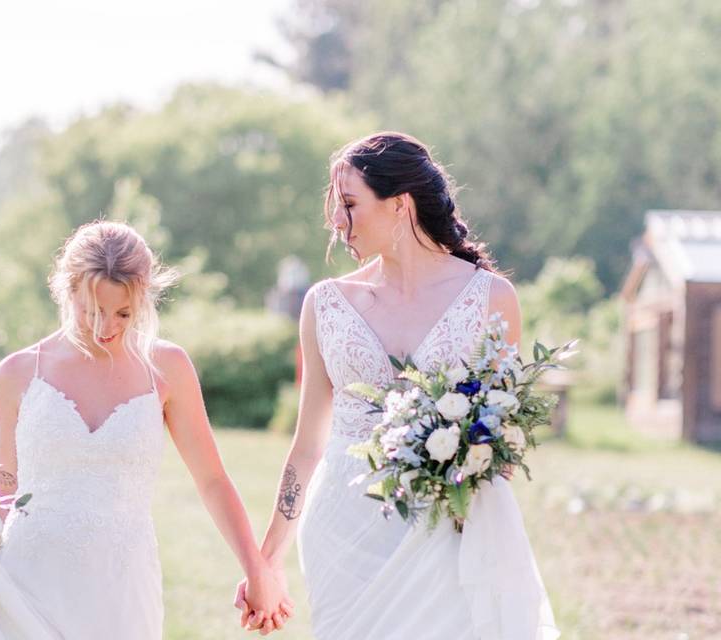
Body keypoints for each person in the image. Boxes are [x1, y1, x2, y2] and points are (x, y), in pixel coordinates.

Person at [235, 132, 558, 639]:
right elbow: (306, 446)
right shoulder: (325, 304)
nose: (337, 222)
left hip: (446, 527)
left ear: (400, 205)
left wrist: (472, 522)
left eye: (349, 204)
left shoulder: (492, 298)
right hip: (342, 531)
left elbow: (499, 437)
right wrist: (265, 561)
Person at [0, 220, 292, 639]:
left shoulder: (167, 368)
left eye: (123, 313)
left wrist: (257, 570)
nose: (106, 327)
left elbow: (213, 480)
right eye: (91, 311)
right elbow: (8, 489)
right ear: (66, 291)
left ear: (144, 298)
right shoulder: (18, 373)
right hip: (29, 580)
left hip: (122, 588)